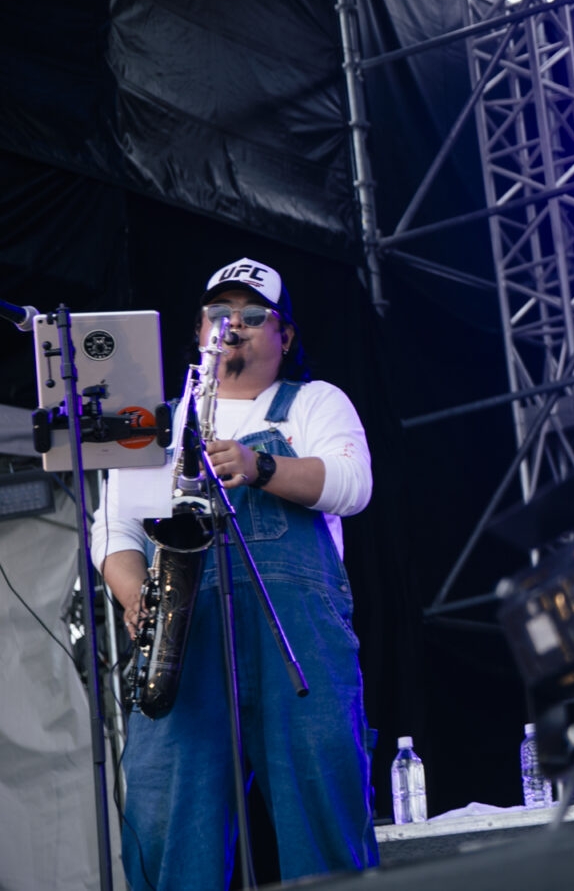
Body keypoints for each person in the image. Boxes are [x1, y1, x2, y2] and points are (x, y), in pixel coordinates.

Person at [92, 257, 378, 890]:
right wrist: (137, 596)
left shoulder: (314, 402)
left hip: (296, 640)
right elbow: (113, 529)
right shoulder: (160, 423)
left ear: (285, 336)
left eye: (253, 316)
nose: (234, 326)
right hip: (185, 641)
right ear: (199, 331)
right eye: (219, 315)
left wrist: (260, 466)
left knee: (322, 817)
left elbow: (353, 484)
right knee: (169, 828)